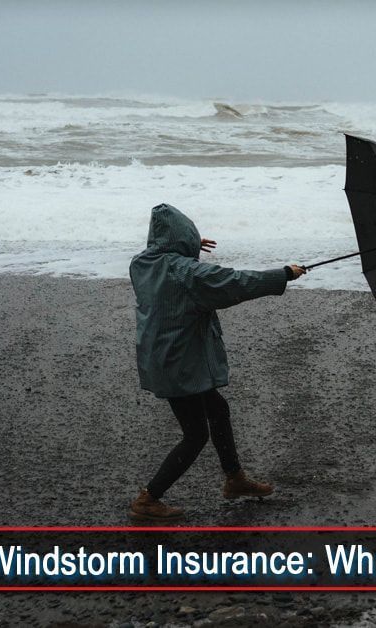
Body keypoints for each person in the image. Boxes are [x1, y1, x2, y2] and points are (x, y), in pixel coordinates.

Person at [128, 203, 306, 521]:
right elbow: (235, 282)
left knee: (218, 409)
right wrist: (283, 275)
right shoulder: (187, 273)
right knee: (195, 434)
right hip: (179, 364)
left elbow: (169, 260)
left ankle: (234, 479)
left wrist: (188, 246)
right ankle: (149, 498)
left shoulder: (142, 264)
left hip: (163, 356)